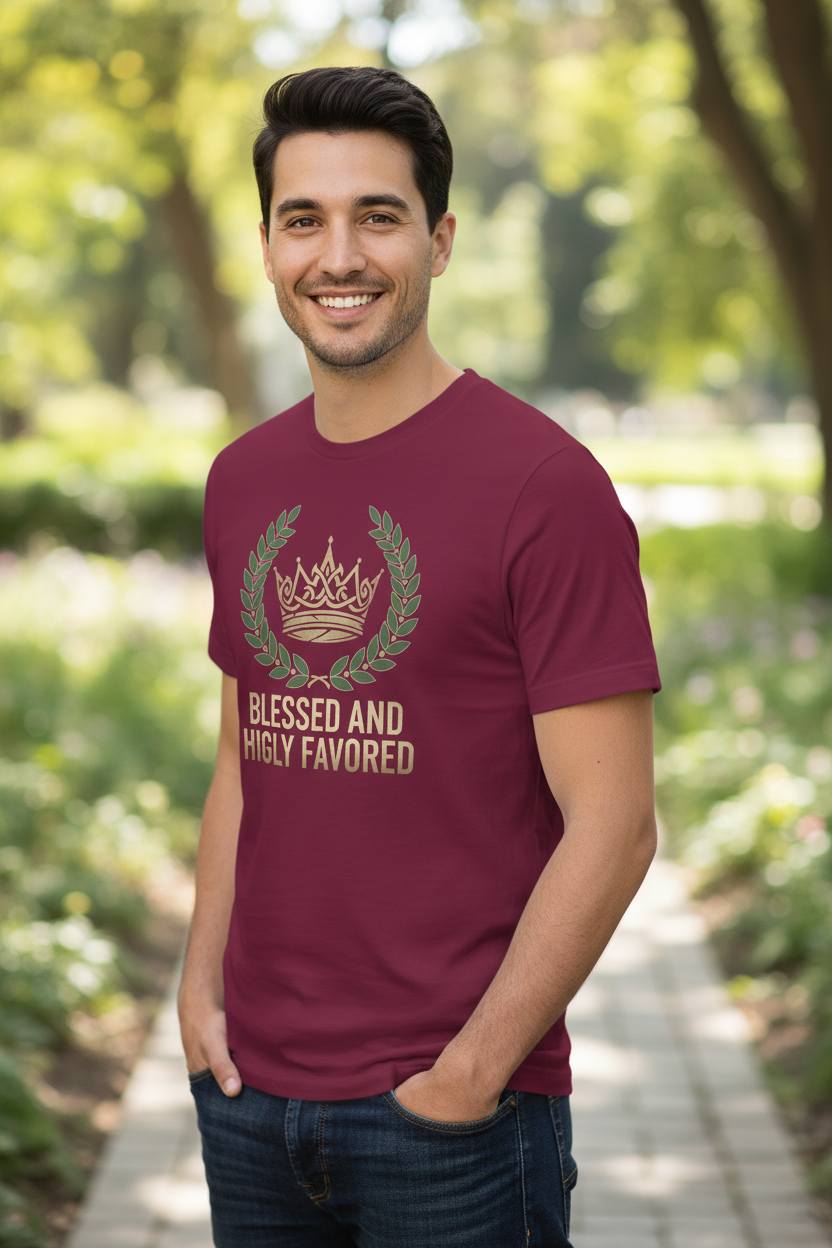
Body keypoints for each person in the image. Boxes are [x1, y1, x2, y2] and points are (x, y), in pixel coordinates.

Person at [178, 65, 660, 1248]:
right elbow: (248, 756)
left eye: (376, 216)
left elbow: (614, 825)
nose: (338, 254)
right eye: (306, 219)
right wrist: (199, 992)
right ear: (267, 244)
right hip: (248, 1097)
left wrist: (467, 1075)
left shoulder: (543, 487)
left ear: (439, 242)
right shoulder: (244, 481)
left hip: (450, 1120)